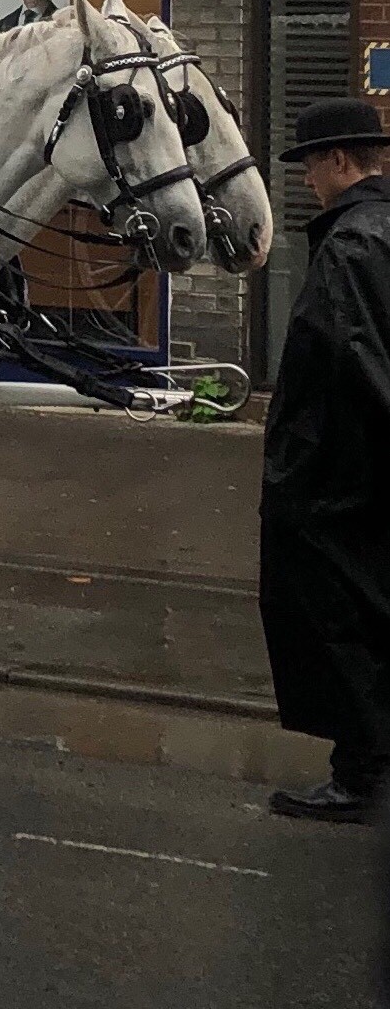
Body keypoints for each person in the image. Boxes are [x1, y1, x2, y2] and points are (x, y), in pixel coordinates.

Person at [260, 96, 390, 823]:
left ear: (339, 161)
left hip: (336, 479)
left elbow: (356, 363)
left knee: (337, 620)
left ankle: (355, 773)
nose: (308, 178)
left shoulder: (350, 245)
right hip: (358, 476)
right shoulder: (378, 229)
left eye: (311, 163)